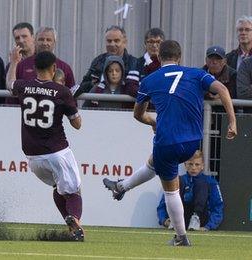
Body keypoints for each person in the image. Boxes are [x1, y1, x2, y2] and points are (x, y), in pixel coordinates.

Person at [103, 40, 237, 246]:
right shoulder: (196, 74)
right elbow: (223, 90)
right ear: (180, 57)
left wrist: (153, 120)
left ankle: (181, 237)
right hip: (193, 142)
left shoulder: (150, 79)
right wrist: (232, 122)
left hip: (167, 141)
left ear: (158, 58)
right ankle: (121, 186)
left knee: (171, 190)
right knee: (153, 162)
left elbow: (138, 114)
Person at [6, 51, 84, 241]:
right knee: (74, 192)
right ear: (54, 68)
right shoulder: (62, 92)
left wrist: (14, 62)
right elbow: (77, 124)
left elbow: (10, 84)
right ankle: (75, 222)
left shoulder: (25, 86)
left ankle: (70, 224)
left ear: (35, 68)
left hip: (33, 157)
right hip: (57, 151)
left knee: (58, 187)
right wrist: (70, 104)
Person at [157, 150, 224, 231]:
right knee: (177, 181)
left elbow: (217, 206)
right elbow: (163, 204)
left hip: (201, 219)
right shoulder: (178, 180)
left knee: (201, 183)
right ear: (185, 165)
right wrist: (164, 220)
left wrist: (208, 226)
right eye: (190, 164)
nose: (193, 168)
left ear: (202, 166)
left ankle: (196, 218)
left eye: (197, 164)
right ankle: (174, 221)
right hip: (180, 217)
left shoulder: (210, 182)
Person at [76, 25, 139, 98]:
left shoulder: (134, 63)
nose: (112, 44)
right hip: (100, 106)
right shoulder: (98, 61)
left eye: (116, 41)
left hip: (124, 107)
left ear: (124, 42)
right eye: (109, 41)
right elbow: (84, 85)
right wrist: (93, 84)